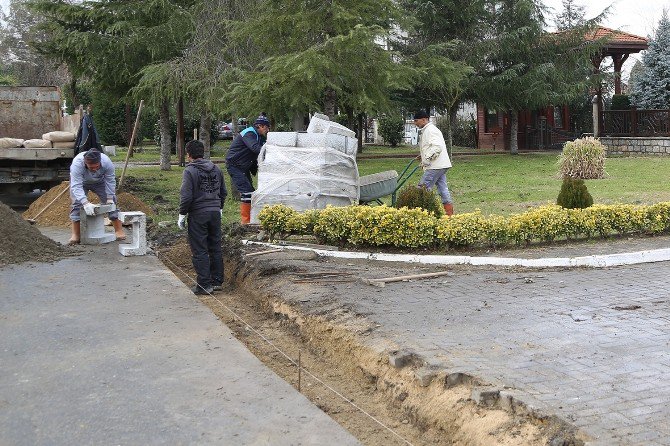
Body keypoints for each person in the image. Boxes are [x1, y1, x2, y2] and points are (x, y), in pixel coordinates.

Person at [178, 139, 226, 295]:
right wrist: (219, 207)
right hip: (214, 213)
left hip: (198, 214)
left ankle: (204, 285)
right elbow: (223, 192)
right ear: (203, 152)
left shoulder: (190, 171)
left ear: (188, 154)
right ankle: (217, 280)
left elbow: (186, 197)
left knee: (200, 249)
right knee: (215, 246)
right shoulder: (216, 169)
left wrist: (182, 214)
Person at [68, 148, 125, 244]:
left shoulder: (106, 162)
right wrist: (85, 203)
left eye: (96, 166)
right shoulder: (77, 165)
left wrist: (110, 198)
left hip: (100, 182)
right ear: (85, 163)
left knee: (112, 203)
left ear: (100, 162)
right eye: (91, 167)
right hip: (82, 183)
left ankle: (119, 231)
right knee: (76, 204)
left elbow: (110, 180)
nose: (94, 169)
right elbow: (76, 186)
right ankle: (76, 235)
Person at [225, 114, 270, 224]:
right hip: (235, 165)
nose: (268, 130)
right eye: (267, 128)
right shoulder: (249, 133)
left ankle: (251, 220)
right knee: (247, 192)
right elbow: (255, 148)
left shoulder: (259, 136)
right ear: (261, 126)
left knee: (251, 192)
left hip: (243, 166)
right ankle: (246, 223)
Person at [413, 110, 454, 216]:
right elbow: (431, 147)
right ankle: (449, 214)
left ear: (424, 119)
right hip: (441, 165)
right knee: (442, 189)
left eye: (416, 120)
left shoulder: (430, 130)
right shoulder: (428, 130)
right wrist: (422, 156)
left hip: (435, 166)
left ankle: (422, 213)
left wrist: (426, 158)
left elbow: (437, 147)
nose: (415, 123)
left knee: (422, 188)